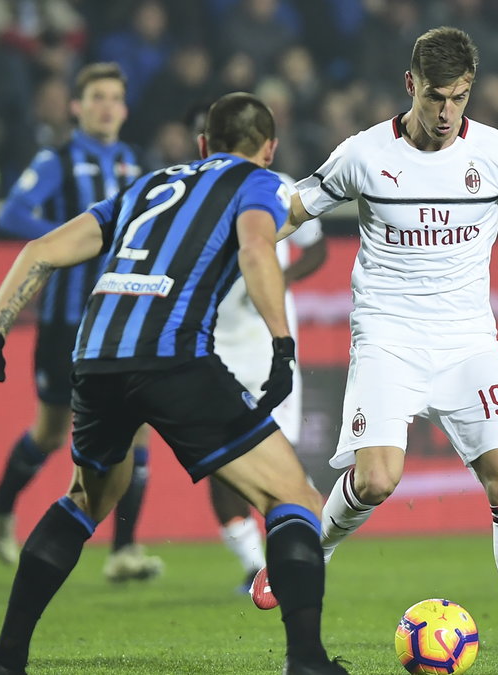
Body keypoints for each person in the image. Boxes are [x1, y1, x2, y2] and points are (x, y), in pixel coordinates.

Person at [250, 27, 498, 672]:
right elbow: (294, 210)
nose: (446, 114)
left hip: (468, 342)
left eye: (459, 98)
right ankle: (304, 554)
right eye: (436, 97)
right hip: (388, 335)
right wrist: (243, 245)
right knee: (378, 478)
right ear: (411, 85)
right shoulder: (365, 154)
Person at [0, 92, 349, 675]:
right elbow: (259, 248)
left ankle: (4, 660)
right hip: (173, 356)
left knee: (88, 498)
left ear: (202, 144)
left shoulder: (149, 186)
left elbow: (41, 249)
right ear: (269, 149)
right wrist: (282, 343)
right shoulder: (257, 182)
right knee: (296, 499)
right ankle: (307, 661)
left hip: (96, 357)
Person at [0, 62, 163, 583]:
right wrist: (74, 242)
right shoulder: (58, 160)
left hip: (123, 315)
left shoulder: (134, 163)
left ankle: (124, 550)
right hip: (65, 320)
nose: (106, 106)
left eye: (114, 98)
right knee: (51, 431)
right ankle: (0, 504)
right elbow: (12, 215)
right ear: (76, 107)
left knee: (140, 427)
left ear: (125, 110)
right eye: (96, 97)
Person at [186, 102, 329, 595]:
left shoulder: (283, 188)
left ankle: (280, 560)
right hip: (214, 343)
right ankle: (255, 564)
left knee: (277, 454)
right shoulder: (191, 190)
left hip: (265, 340)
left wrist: (278, 276)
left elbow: (317, 247)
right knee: (224, 461)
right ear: (269, 145)